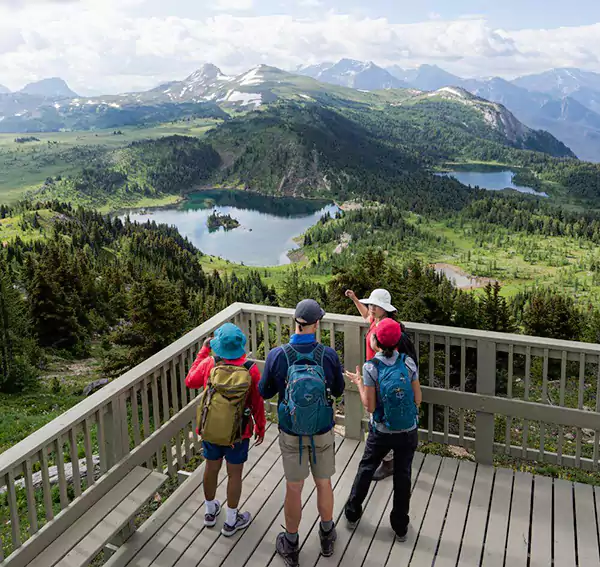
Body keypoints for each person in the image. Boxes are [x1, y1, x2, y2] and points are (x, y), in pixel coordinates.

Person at [259, 299, 345, 567]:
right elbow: (339, 390)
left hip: (291, 431)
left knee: (294, 487)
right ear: (316, 324)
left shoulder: (277, 354)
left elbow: (265, 392)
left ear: (295, 322)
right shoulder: (328, 355)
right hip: (321, 429)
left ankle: (292, 541)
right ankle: (327, 534)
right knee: (324, 482)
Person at [344, 318, 422, 541]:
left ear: (375, 341)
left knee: (367, 467)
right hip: (408, 431)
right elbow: (418, 398)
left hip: (381, 431)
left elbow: (369, 405)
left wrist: (359, 383)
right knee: (403, 474)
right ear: (398, 342)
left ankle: (352, 512)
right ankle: (400, 526)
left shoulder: (372, 367)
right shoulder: (408, 363)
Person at [186, 322, 266, 537]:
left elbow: (190, 381)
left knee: (211, 468)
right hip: (239, 433)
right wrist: (261, 426)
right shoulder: (250, 369)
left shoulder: (210, 364)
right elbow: (257, 403)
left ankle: (210, 511)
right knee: (234, 474)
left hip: (211, 429)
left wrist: (203, 351)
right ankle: (231, 521)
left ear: (217, 346)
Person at [345, 288, 418, 480]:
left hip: (381, 378)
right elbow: (365, 315)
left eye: (375, 305)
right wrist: (354, 299)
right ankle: (389, 459)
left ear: (385, 309)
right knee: (378, 416)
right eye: (370, 304)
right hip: (374, 375)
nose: (371, 308)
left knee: (379, 417)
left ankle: (388, 462)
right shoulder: (376, 321)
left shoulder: (387, 329)